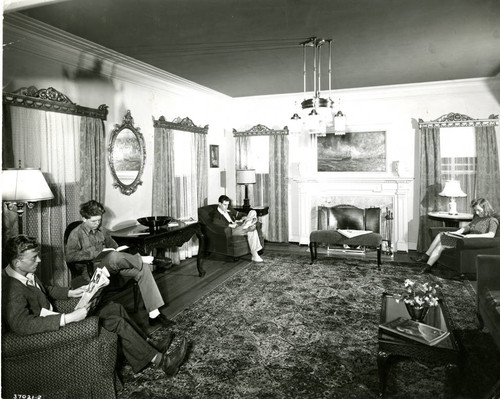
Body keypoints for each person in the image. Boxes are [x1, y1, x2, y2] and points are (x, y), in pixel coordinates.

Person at [2, 235, 188, 377]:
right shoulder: (11, 289)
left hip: (55, 318)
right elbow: (21, 325)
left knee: (115, 308)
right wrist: (68, 318)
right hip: (50, 331)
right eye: (34, 258)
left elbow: (44, 290)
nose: (39, 261)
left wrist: (70, 292)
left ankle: (148, 346)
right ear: (18, 262)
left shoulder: (23, 272)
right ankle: (163, 362)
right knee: (115, 322)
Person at [65, 200, 172, 328]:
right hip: (93, 271)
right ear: (84, 218)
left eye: (99, 220)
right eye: (94, 221)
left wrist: (118, 250)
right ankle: (146, 259)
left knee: (142, 269)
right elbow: (69, 256)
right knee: (114, 256)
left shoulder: (102, 231)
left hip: (112, 265)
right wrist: (95, 253)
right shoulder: (76, 233)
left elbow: (115, 247)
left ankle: (154, 315)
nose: (97, 224)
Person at [414, 198, 498, 273]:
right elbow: (467, 228)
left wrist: (471, 236)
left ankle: (426, 260)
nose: (477, 212)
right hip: (465, 240)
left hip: (473, 242)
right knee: (441, 237)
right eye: (475, 210)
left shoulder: (492, 220)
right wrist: (455, 233)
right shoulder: (477, 218)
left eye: (479, 210)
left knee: (442, 243)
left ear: (485, 208)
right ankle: (427, 265)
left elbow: (491, 235)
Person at [212, 195, 263, 262]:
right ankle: (255, 255)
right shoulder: (216, 213)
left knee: (252, 212)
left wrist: (244, 217)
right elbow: (215, 221)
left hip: (238, 225)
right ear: (219, 204)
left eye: (227, 205)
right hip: (232, 230)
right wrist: (229, 225)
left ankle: (248, 225)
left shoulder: (229, 209)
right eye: (224, 205)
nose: (226, 207)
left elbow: (238, 214)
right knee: (252, 230)